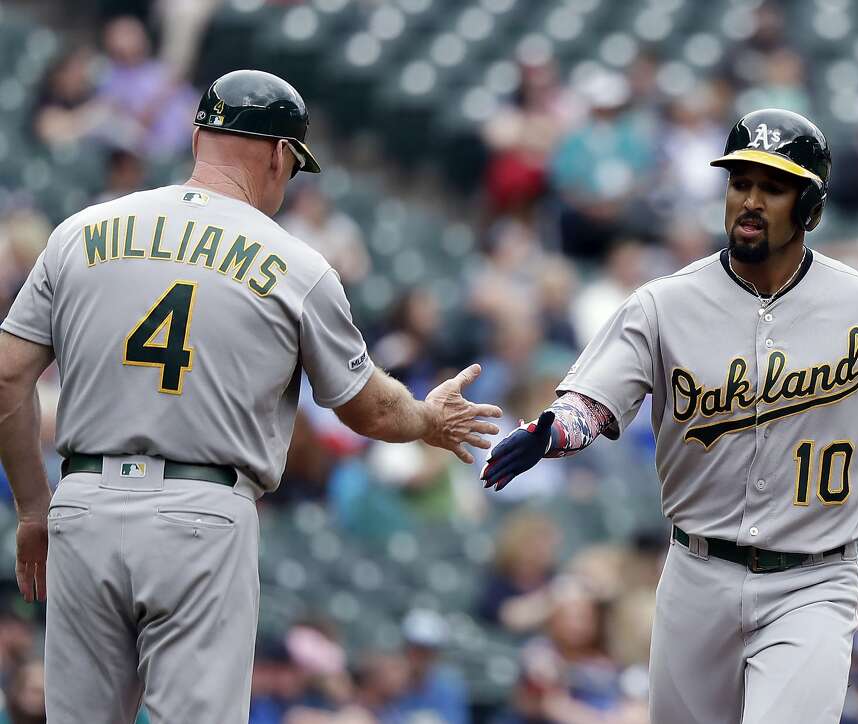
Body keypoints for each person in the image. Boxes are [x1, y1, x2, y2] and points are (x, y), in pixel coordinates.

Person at [480, 108, 858, 723]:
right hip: (695, 573)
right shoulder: (664, 304)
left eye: (773, 186)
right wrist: (554, 429)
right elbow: (592, 402)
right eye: (740, 182)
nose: (751, 200)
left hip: (813, 580)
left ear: (810, 208)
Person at [0, 69, 502, 723]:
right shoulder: (295, 263)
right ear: (278, 154)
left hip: (84, 503)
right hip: (200, 512)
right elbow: (367, 407)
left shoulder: (80, 232)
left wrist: (35, 508)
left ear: (198, 136)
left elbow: (7, 377)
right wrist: (427, 419)